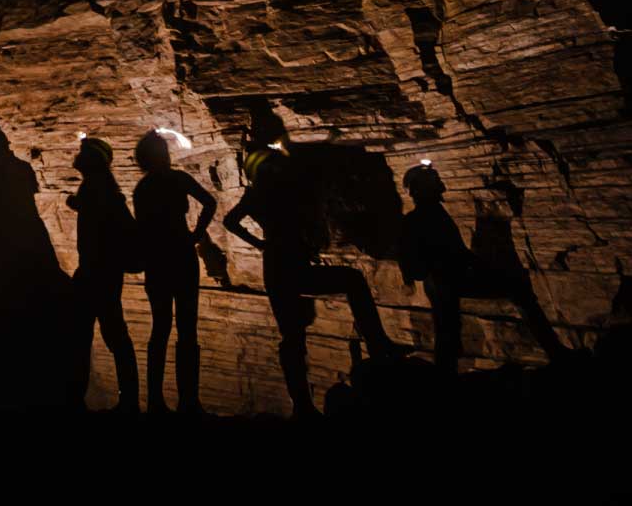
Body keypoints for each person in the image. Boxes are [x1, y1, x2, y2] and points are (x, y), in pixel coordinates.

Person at [224, 128, 403, 418]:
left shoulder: (261, 195)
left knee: (293, 335)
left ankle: (303, 405)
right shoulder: (275, 193)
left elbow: (232, 222)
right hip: (288, 266)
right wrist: (266, 243)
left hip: (278, 267)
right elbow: (232, 221)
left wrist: (262, 244)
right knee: (349, 284)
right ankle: (377, 343)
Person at [400, 163, 568, 373]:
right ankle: (556, 351)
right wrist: (485, 268)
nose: (440, 183)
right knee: (517, 291)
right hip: (450, 278)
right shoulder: (430, 215)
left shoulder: (422, 216)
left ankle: (445, 376)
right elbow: (455, 252)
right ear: (421, 188)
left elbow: (416, 261)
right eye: (434, 179)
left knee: (447, 330)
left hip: (440, 281)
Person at [132, 129, 216, 415]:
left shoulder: (142, 189)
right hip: (181, 256)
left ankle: (155, 400)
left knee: (160, 329)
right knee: (187, 329)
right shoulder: (177, 179)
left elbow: (140, 230)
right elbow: (210, 202)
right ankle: (189, 402)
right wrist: (197, 233)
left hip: (157, 261)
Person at [65, 135, 139, 412]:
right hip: (104, 272)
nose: (78, 154)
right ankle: (127, 399)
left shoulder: (96, 189)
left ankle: (78, 399)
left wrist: (79, 206)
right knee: (112, 334)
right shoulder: (101, 188)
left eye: (83, 151)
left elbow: (105, 222)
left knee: (86, 335)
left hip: (96, 272)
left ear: (92, 160)